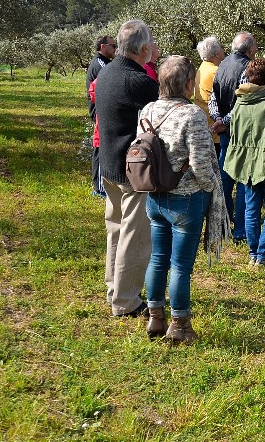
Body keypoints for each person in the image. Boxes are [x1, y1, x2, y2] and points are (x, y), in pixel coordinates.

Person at [138, 56, 229, 343]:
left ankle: (155, 317)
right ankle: (180, 324)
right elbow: (202, 163)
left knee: (157, 258)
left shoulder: (148, 110)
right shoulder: (191, 115)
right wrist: (210, 187)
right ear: (188, 84)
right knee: (180, 265)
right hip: (187, 198)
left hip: (154, 195)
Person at [94, 20, 159, 318]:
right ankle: (126, 301)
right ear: (144, 48)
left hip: (108, 165)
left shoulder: (106, 73)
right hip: (132, 171)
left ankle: (115, 289)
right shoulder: (139, 82)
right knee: (135, 237)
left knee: (116, 230)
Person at [223, 58, 265, 266]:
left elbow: (234, 133)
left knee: (251, 208)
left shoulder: (240, 104)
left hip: (247, 164)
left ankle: (254, 253)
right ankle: (264, 254)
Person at [209, 32, 258, 242]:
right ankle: (240, 231)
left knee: (225, 179)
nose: (256, 50)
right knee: (243, 179)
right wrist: (225, 120)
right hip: (239, 131)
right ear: (248, 49)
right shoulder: (246, 67)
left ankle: (222, 226)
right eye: (255, 46)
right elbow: (243, 102)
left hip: (225, 131)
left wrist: (217, 118)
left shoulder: (223, 63)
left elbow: (213, 96)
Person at [86, 35, 116, 197]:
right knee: (99, 146)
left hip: (102, 108)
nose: (115, 49)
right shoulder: (100, 64)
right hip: (99, 109)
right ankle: (98, 187)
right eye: (113, 46)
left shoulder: (104, 63)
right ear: (103, 47)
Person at [194, 36, 224, 154]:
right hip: (215, 126)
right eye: (221, 47)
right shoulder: (215, 71)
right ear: (217, 54)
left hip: (205, 123)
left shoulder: (203, 67)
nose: (223, 50)